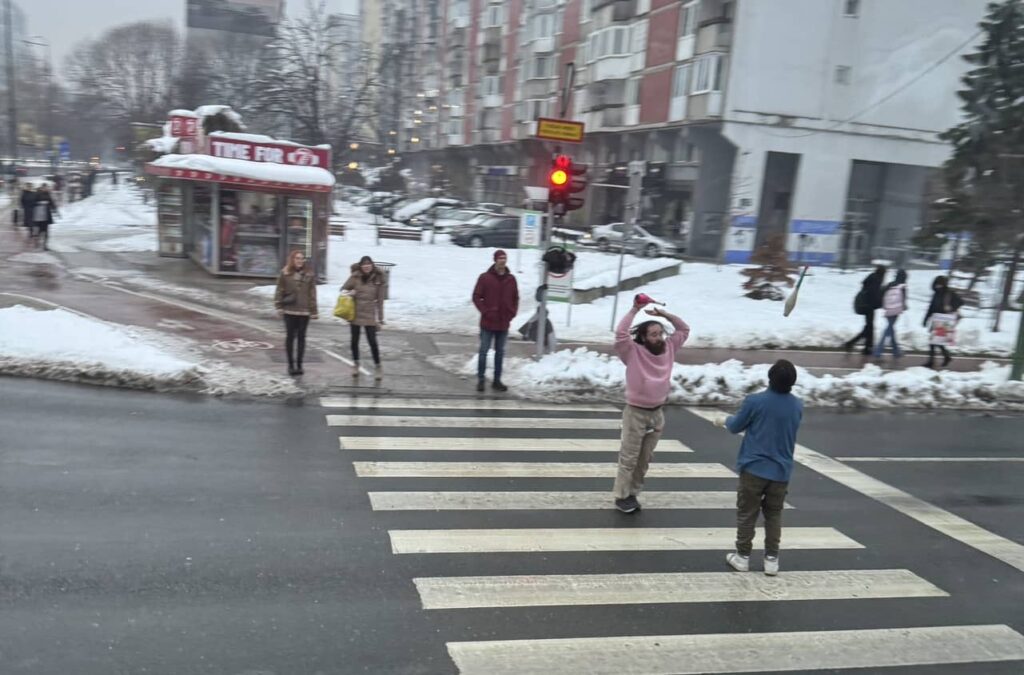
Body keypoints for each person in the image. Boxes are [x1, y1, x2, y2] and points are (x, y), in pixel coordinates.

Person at [716, 359, 803, 576]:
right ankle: (771, 559)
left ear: (770, 378)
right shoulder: (797, 405)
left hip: (754, 468)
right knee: (774, 514)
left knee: (747, 513)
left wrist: (724, 420)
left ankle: (742, 556)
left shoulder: (755, 401)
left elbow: (736, 426)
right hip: (781, 471)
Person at [611, 298, 690, 513]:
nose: (659, 338)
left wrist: (665, 316)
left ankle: (633, 494)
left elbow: (684, 329)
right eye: (653, 335)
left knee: (644, 459)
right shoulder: (633, 351)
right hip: (636, 413)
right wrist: (635, 309)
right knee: (629, 457)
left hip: (657, 414)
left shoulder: (669, 347)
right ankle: (621, 496)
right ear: (643, 338)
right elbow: (620, 333)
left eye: (660, 334)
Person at [472, 249, 519, 392]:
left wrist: (512, 312)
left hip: (503, 322)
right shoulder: (485, 278)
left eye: (504, 259)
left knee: (500, 352)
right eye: (500, 259)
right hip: (488, 322)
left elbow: (515, 298)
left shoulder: (511, 279)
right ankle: (481, 379)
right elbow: (476, 296)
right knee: (484, 351)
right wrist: (486, 311)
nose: (502, 261)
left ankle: (497, 380)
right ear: (495, 260)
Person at [342, 255, 387, 379]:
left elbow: (380, 301)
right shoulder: (355, 276)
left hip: (369, 314)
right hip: (355, 313)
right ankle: (355, 365)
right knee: (354, 341)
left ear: (372, 265)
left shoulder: (378, 279)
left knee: (372, 341)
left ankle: (378, 367)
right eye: (364, 264)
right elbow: (343, 290)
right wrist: (350, 293)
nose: (366, 266)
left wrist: (381, 319)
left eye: (368, 264)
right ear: (361, 266)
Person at [274, 250, 319, 376]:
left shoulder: (309, 274)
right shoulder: (285, 273)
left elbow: (312, 293)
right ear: (292, 259)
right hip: (290, 310)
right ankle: (290, 365)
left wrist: (314, 311)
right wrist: (279, 306)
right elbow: (279, 290)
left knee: (301, 338)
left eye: (302, 258)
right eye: (297, 258)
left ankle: (299, 365)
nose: (300, 260)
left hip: (304, 311)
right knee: (290, 337)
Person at [844, 265, 887, 355]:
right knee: (869, 328)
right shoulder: (876, 280)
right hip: (868, 306)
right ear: (882, 273)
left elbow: (872, 293)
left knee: (869, 327)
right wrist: (880, 303)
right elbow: (873, 295)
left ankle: (867, 347)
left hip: (866, 305)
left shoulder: (872, 277)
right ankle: (855, 344)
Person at [923, 275, 963, 369]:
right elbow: (931, 308)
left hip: (945, 321)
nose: (938, 286)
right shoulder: (936, 294)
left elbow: (960, 302)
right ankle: (946, 357)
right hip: (936, 320)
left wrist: (951, 307)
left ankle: (932, 361)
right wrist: (925, 319)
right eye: (936, 284)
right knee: (935, 341)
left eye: (939, 285)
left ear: (943, 284)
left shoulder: (949, 293)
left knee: (934, 341)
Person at [873, 269, 908, 359]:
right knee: (888, 329)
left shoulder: (890, 284)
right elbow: (904, 300)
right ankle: (878, 351)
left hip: (888, 309)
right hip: (896, 310)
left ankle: (896, 352)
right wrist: (904, 307)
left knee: (890, 328)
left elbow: (881, 293)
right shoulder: (903, 286)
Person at [31, 185, 59, 250]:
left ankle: (45, 245)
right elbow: (33, 202)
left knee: (46, 231)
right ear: (41, 188)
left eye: (47, 188)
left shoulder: (48, 194)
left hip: (46, 214)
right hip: (39, 214)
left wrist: (55, 210)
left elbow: (52, 203)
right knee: (40, 230)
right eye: (45, 188)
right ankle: (37, 242)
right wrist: (40, 203)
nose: (46, 189)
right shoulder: (37, 194)